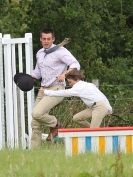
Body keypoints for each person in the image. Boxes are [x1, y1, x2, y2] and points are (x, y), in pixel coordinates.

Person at [31, 28, 80, 148]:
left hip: (57, 89)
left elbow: (75, 64)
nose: (46, 41)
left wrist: (65, 74)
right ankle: (34, 151)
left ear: (53, 39)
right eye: (44, 39)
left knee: (36, 113)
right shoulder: (40, 53)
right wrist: (27, 78)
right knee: (35, 122)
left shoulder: (61, 51)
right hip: (43, 90)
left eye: (49, 39)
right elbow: (37, 73)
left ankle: (56, 124)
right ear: (40, 39)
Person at [43, 69, 112, 128]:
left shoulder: (78, 87)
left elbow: (64, 93)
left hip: (99, 107)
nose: (69, 84)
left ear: (76, 79)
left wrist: (47, 92)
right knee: (76, 118)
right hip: (94, 107)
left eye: (70, 82)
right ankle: (92, 129)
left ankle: (93, 131)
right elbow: (102, 95)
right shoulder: (87, 84)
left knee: (94, 131)